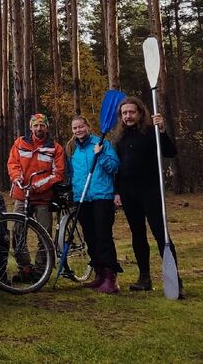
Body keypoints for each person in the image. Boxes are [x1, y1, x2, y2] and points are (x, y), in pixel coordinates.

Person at [113, 96, 180, 295]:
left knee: (160, 233)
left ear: (140, 113)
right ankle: (144, 278)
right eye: (124, 113)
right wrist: (116, 191)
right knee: (138, 234)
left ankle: (175, 280)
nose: (128, 116)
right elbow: (118, 168)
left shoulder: (152, 133)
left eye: (131, 112)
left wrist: (162, 130)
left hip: (150, 191)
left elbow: (170, 152)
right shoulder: (119, 138)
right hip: (128, 193)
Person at [67, 115, 122, 294]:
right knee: (90, 237)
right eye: (75, 128)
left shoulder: (101, 143)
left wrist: (100, 155)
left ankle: (110, 278)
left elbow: (114, 167)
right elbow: (71, 173)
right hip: (82, 198)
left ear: (88, 127)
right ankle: (99, 274)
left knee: (103, 236)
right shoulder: (72, 148)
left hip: (101, 196)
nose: (78, 130)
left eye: (81, 126)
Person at [7, 113, 65, 237]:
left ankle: (45, 251)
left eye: (42, 125)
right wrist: (17, 177)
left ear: (47, 128)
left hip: (43, 198)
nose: (39, 128)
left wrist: (36, 186)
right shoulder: (20, 143)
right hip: (22, 196)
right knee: (18, 234)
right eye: (36, 125)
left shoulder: (55, 148)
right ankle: (21, 251)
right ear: (31, 127)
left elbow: (58, 174)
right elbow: (13, 163)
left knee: (45, 236)